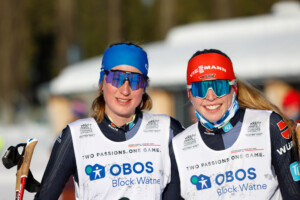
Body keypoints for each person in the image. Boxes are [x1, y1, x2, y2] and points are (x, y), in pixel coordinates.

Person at [34, 42, 183, 200]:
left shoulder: (166, 130)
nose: (125, 90)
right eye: (117, 78)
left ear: (144, 87)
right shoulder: (76, 136)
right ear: (103, 82)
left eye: (135, 80)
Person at [171, 49, 300, 199]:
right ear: (190, 94)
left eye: (220, 86)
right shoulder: (178, 146)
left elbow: (294, 194)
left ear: (234, 88)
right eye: (201, 89)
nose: (211, 97)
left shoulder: (268, 124)